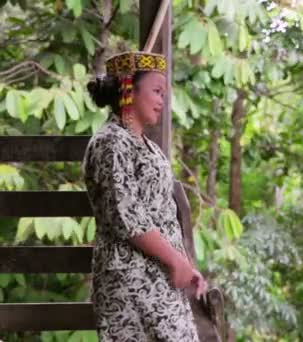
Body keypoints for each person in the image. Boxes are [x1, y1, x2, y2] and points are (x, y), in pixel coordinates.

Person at [83, 51, 206, 341]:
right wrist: (176, 262)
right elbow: (128, 219)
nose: (163, 100)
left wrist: (185, 265)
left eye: (165, 93)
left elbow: (160, 214)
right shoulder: (111, 143)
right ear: (128, 90)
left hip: (159, 280)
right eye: (156, 91)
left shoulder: (144, 144)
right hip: (131, 279)